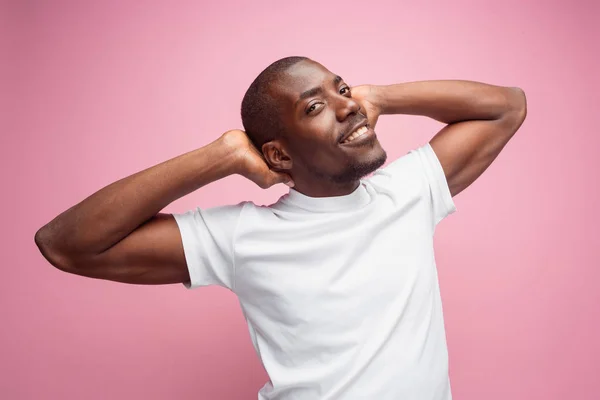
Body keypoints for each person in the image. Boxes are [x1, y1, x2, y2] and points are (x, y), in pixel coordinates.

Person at [34, 56, 527, 399]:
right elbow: (66, 244)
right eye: (313, 107)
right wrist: (220, 156)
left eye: (342, 88)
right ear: (278, 154)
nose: (346, 105)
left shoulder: (408, 193)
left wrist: (377, 96)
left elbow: (507, 106)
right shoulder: (242, 236)